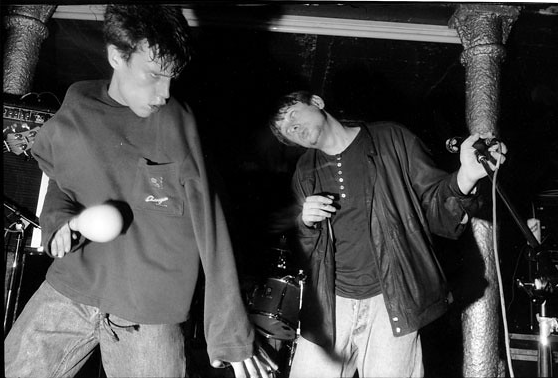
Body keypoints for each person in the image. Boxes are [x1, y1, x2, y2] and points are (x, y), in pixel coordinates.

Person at [5, 5, 275, 378]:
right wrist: (59, 223)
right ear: (117, 55)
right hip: (72, 286)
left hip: (147, 310)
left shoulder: (180, 125)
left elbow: (212, 226)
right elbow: (61, 183)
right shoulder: (79, 103)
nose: (164, 92)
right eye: (154, 75)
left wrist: (229, 330)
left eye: (172, 78)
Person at [267, 91, 507, 377]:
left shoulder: (391, 139)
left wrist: (466, 175)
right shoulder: (304, 171)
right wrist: (306, 223)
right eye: (287, 131)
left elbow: (436, 209)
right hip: (331, 304)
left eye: (293, 114)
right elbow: (307, 253)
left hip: (391, 298)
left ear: (317, 102)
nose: (293, 128)